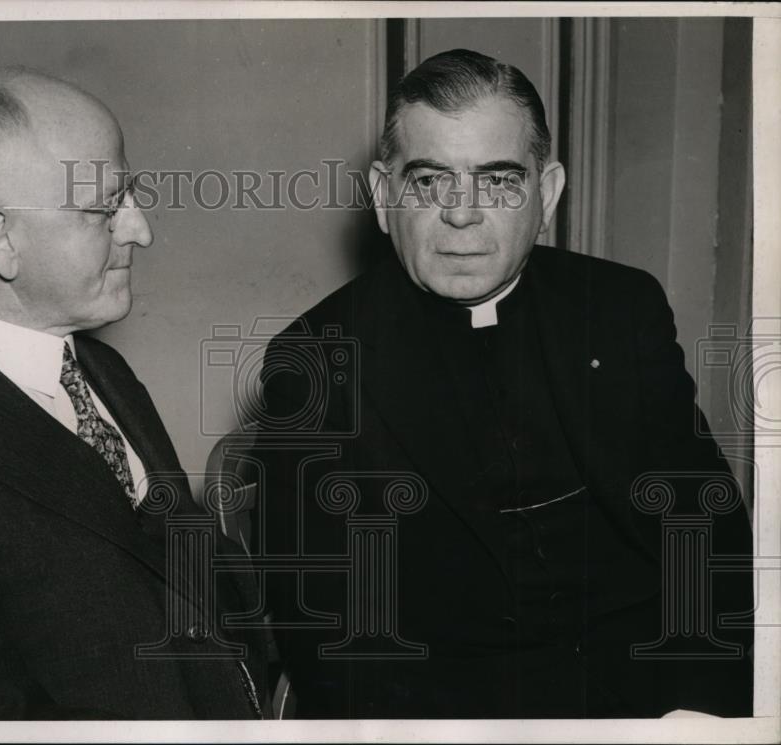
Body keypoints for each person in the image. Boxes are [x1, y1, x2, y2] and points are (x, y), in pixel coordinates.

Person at [256, 49, 753, 718]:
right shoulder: (314, 359)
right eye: (430, 180)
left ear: (545, 194)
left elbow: (704, 523)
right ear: (383, 196)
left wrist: (701, 709)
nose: (462, 215)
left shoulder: (619, 307)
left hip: (652, 696)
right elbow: (332, 638)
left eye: (498, 181)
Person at [0, 68, 267, 719]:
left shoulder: (104, 372)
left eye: (133, 196)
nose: (140, 231)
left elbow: (189, 588)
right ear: (1, 240)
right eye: (104, 208)